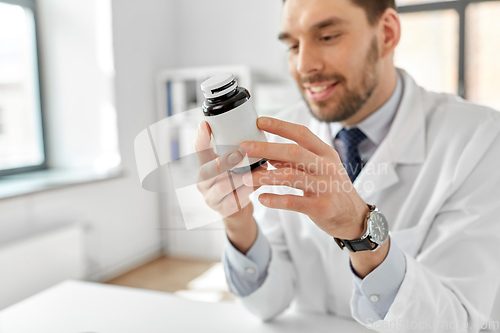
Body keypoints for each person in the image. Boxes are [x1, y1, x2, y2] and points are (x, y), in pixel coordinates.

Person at [194, 0, 500, 331]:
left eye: (327, 36)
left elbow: (460, 321)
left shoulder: (480, 139)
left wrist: (362, 233)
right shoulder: (278, 136)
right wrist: (238, 223)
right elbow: (269, 303)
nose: (303, 65)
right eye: (293, 45)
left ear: (386, 33)